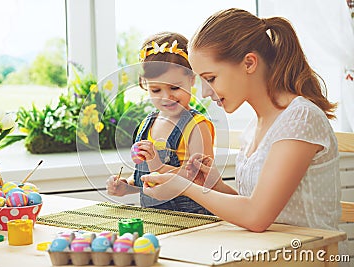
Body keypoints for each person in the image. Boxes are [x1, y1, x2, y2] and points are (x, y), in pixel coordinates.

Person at [141, 8, 348, 257]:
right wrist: (212, 185)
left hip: (306, 258)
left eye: (211, 78)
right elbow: (254, 203)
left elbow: (257, 216)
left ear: (249, 63)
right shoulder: (255, 127)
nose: (205, 93)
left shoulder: (300, 118)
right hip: (264, 253)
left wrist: (183, 186)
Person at [106, 32, 235, 214]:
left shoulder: (196, 126)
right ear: (144, 85)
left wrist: (157, 165)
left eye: (175, 87)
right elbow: (145, 178)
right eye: (156, 89)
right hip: (155, 219)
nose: (166, 97)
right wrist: (127, 186)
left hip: (193, 221)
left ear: (191, 80)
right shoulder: (147, 124)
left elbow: (200, 178)